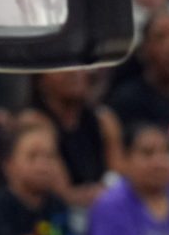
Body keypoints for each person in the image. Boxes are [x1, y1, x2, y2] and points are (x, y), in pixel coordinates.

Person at [0, 117, 80, 235]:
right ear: (9, 165)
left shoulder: (58, 206)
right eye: (33, 156)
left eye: (50, 156)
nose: (43, 166)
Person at [28, 70, 124, 212]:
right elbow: (62, 194)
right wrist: (100, 194)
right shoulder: (35, 122)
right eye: (62, 68)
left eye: (80, 66)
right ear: (41, 79)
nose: (74, 73)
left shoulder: (104, 120)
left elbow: (120, 177)